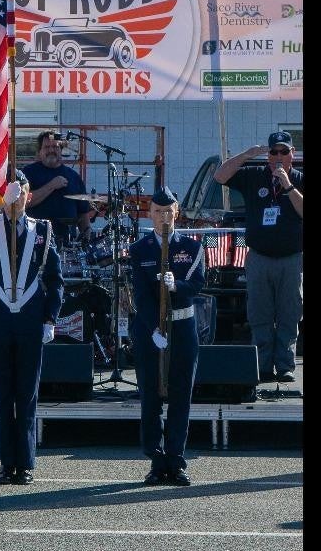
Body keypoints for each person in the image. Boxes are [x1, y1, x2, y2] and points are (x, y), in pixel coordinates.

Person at [0, 170, 63, 485]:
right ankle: (7, 463)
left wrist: (50, 318)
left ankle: (26, 463)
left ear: (29, 196)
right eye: (9, 193)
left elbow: (54, 280)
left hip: (31, 321)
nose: (16, 198)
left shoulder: (42, 230)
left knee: (27, 394)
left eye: (20, 193)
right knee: (3, 395)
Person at [128, 186, 205, 486]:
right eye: (157, 212)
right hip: (151, 329)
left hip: (183, 326)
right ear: (150, 214)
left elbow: (198, 284)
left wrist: (177, 288)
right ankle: (156, 459)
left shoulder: (192, 247)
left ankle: (176, 459)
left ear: (177, 213)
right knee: (150, 394)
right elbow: (141, 295)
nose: (163, 217)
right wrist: (153, 327)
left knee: (181, 395)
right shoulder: (139, 250)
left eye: (168, 211)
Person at [213, 131, 304, 383]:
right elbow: (220, 176)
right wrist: (247, 154)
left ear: (291, 154)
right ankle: (262, 365)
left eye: (283, 152)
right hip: (259, 258)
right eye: (273, 151)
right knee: (259, 313)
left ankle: (285, 365)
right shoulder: (254, 177)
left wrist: (287, 185)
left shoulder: (298, 179)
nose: (278, 156)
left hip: (291, 259)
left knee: (289, 313)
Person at [23, 130, 94, 244]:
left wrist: (87, 236)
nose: (51, 150)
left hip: (68, 243)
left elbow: (83, 212)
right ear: (39, 151)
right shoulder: (27, 173)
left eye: (55, 147)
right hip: (35, 240)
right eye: (46, 147)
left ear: (61, 150)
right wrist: (51, 185)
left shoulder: (74, 177)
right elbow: (23, 202)